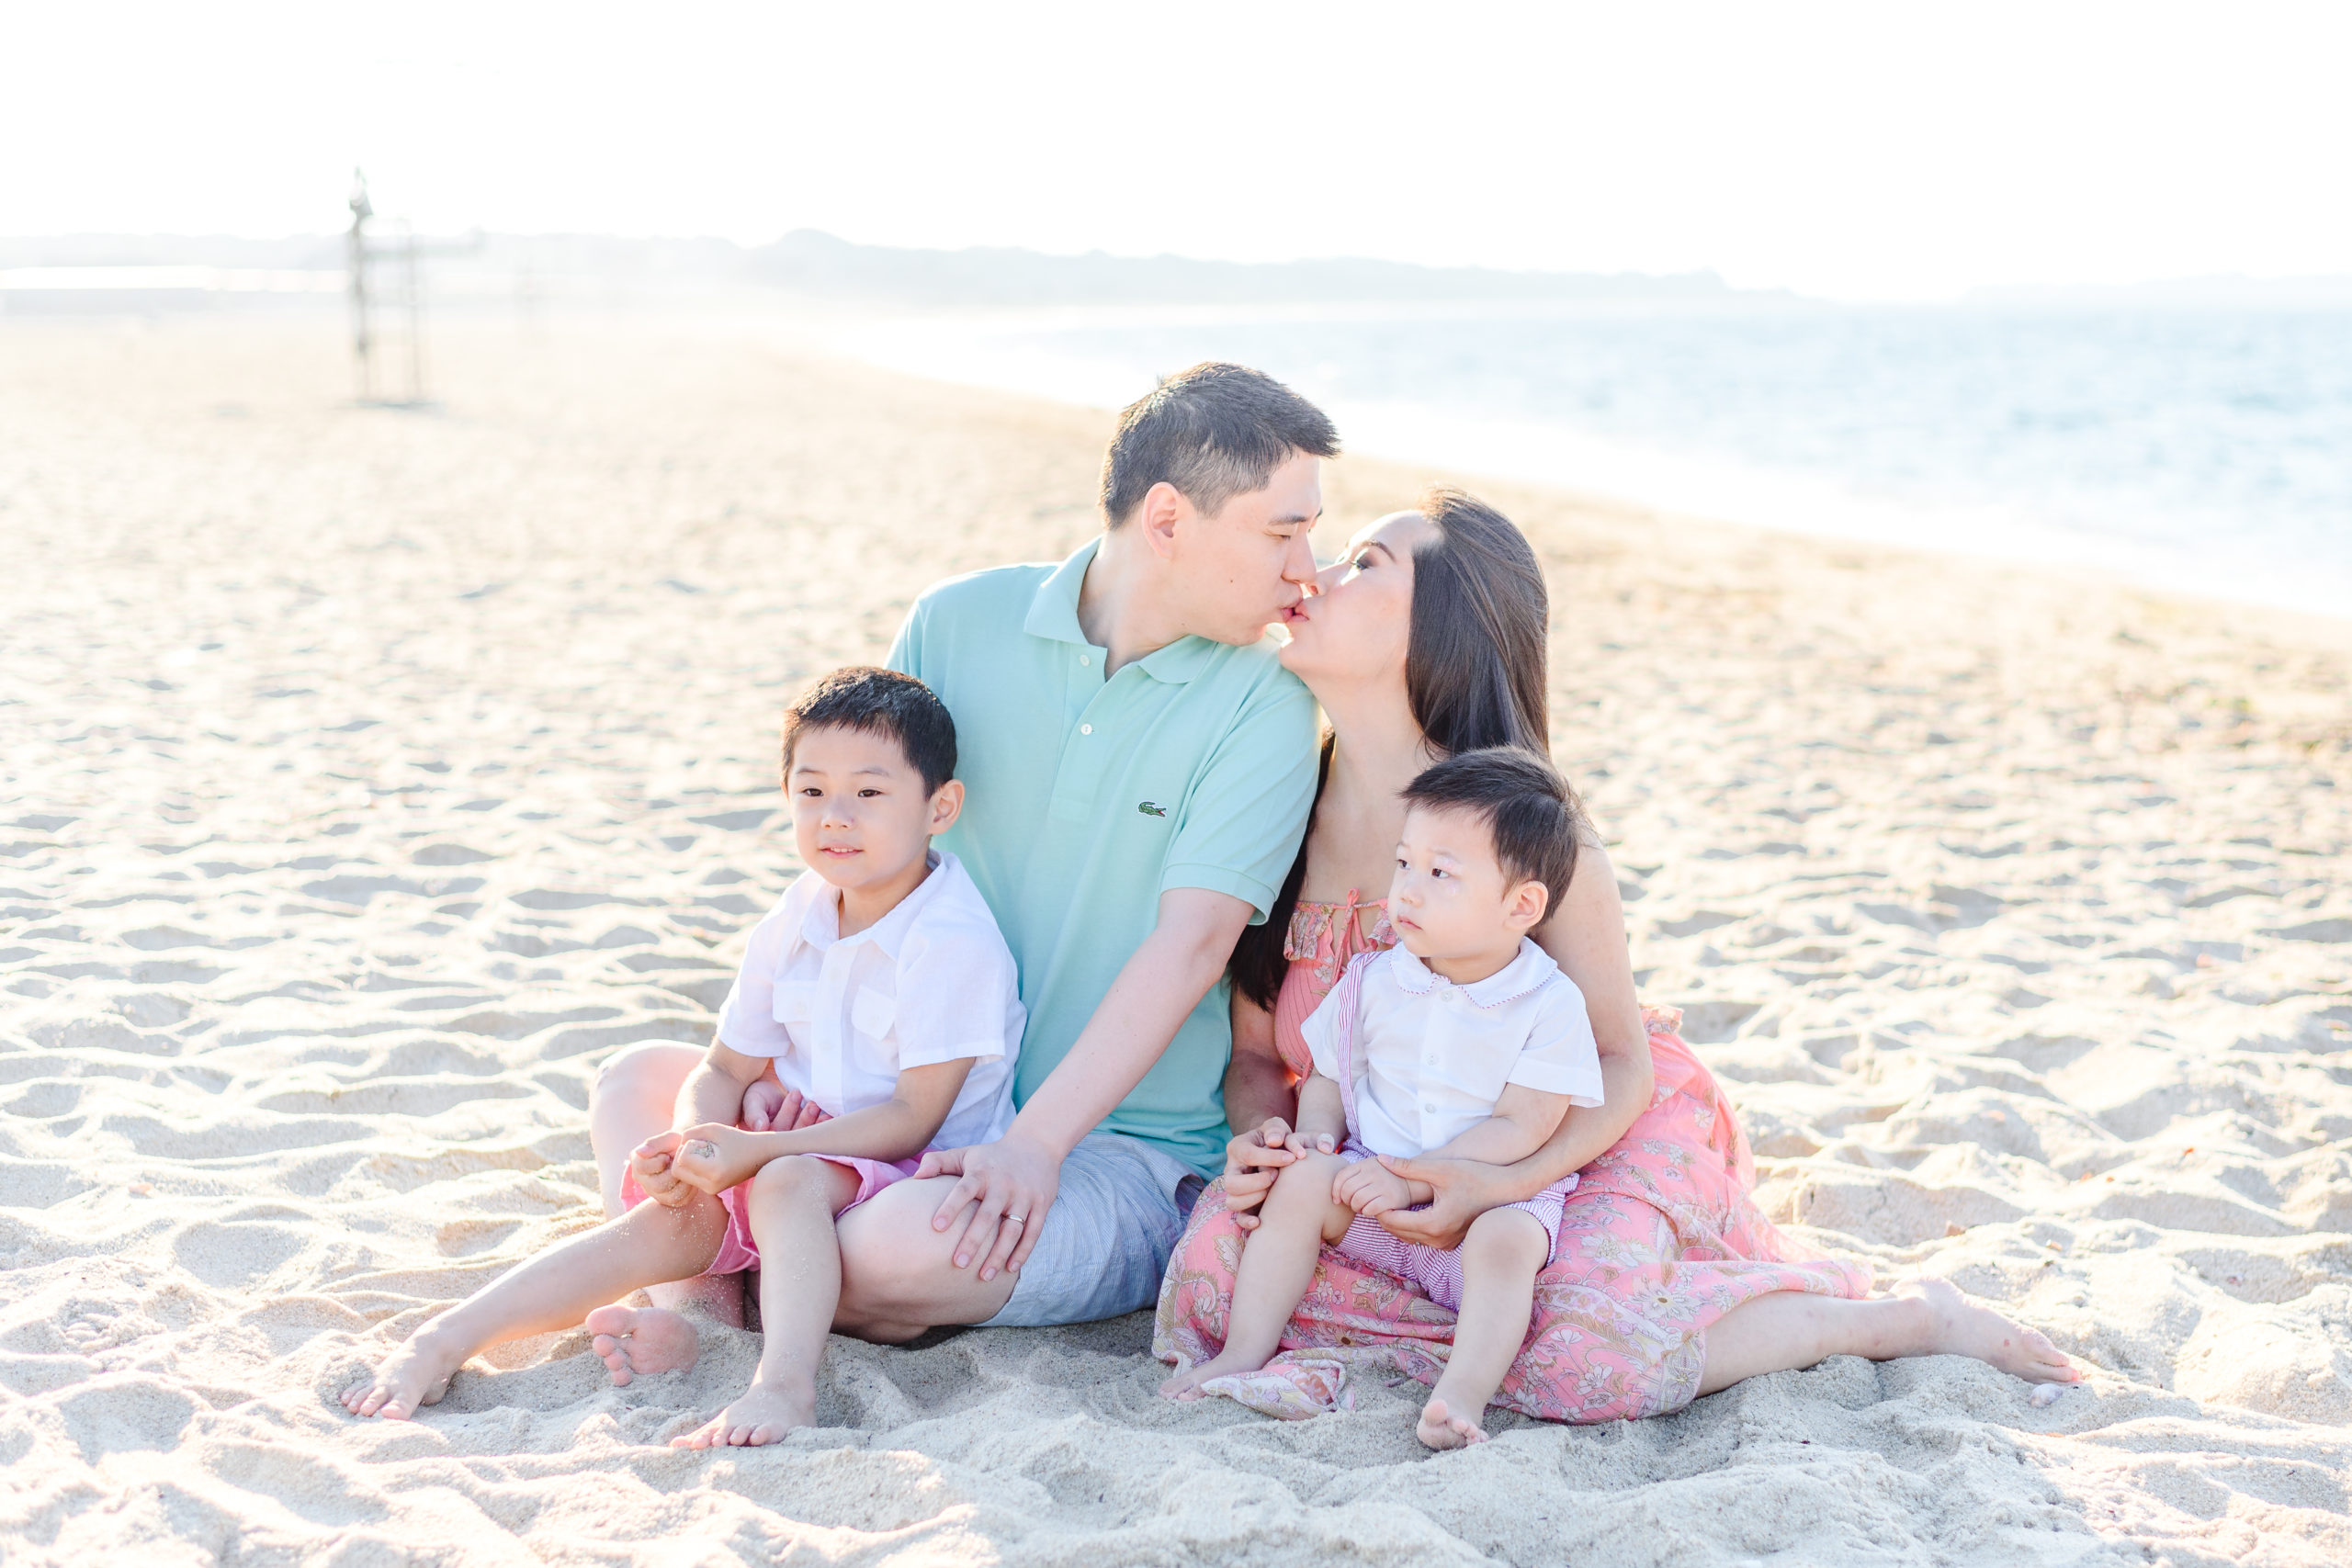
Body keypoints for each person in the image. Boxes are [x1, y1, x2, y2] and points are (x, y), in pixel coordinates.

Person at [1155, 488, 2078, 1424]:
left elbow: (1616, 1060)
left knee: (1584, 1358)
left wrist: (1495, 1182)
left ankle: (1899, 1321)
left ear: (1441, 632)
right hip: (1375, 1155)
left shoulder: (1525, 841)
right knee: (1207, 1279)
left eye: (1365, 565)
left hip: (1566, 1141)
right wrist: (1264, 1146)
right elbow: (1263, 1057)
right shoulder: (1273, 814)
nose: (1314, 575)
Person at [586, 362, 1333, 1343]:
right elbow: (861, 848)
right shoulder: (956, 620)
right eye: (1284, 530)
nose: (1307, 568)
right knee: (640, 1086)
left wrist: (1032, 1145)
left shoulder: (1263, 704)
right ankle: (704, 1315)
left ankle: (721, 1286)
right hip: (896, 1096)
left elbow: (1192, 947)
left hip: (1111, 1150)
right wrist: (783, 1066)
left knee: (892, 1253)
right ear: (1166, 521)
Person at [340, 667, 1023, 1442]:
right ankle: (446, 1339)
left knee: (786, 1183)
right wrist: (695, 1145)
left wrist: (759, 1148)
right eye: (810, 792)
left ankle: (784, 1387)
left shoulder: (949, 938)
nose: (835, 817)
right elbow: (726, 1066)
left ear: (941, 805)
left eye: (869, 794)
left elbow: (912, 1116)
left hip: (902, 1166)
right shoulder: (799, 910)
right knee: (668, 1213)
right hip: (790, 1142)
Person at [1161, 749, 1605, 1448]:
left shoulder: (1547, 1002)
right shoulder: (1373, 977)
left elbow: (1526, 1123)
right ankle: (1244, 1350)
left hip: (1483, 1196)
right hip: (1369, 1180)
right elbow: (1330, 1073)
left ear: (1521, 904)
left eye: (1440, 874)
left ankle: (1460, 1395)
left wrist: (1413, 1176)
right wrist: (1315, 1139)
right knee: (1303, 1184)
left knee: (1510, 1244)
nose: (1408, 890)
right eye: (1404, 863)